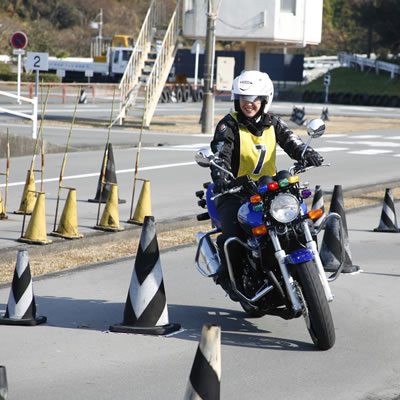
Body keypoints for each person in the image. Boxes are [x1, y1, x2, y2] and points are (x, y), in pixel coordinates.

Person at [210, 70, 324, 300]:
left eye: (254, 98)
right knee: (232, 236)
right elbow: (220, 153)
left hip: (268, 190)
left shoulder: (274, 123)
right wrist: (221, 176)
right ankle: (228, 277)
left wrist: (307, 153)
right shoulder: (228, 125)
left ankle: (309, 270)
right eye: (243, 98)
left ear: (265, 99)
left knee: (301, 221)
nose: (249, 103)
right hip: (235, 191)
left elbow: (293, 142)